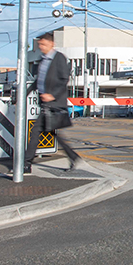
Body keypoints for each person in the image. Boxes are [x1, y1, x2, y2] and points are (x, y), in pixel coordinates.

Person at [23, 32, 83, 174]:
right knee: (51, 132)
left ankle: (26, 163)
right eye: (39, 45)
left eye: (43, 44)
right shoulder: (42, 60)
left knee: (36, 131)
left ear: (51, 43)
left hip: (54, 103)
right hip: (45, 103)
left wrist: (52, 95)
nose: (41, 47)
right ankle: (73, 156)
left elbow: (64, 79)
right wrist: (24, 95)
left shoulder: (59, 58)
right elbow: (38, 81)